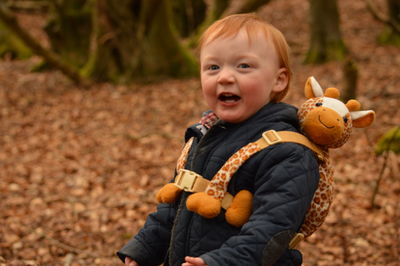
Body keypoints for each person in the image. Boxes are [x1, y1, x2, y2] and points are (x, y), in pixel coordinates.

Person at [117, 13, 320, 266]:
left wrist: (220, 262)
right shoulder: (204, 136)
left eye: (243, 66)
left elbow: (271, 231)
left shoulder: (286, 151)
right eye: (213, 67)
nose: (224, 77)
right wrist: (143, 250)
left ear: (279, 80)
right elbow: (174, 208)